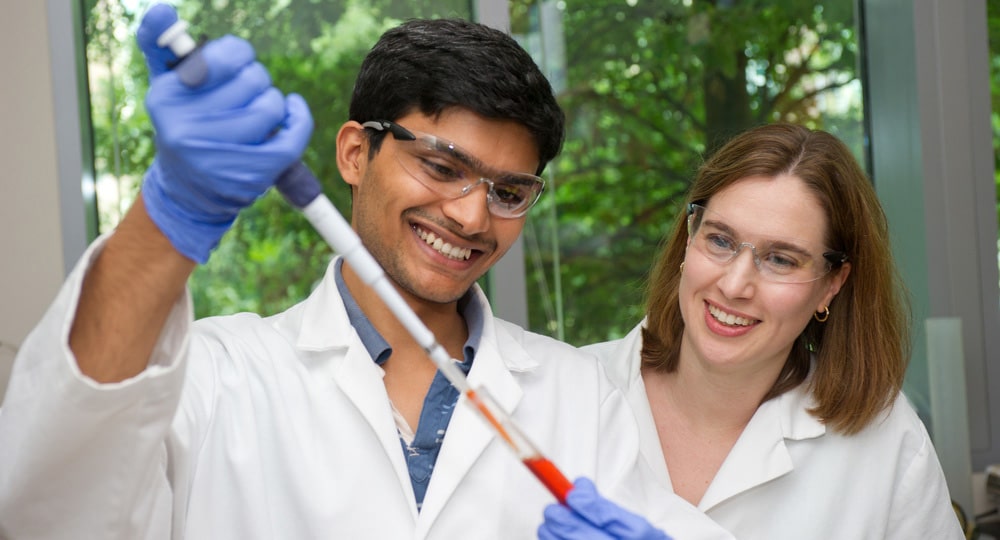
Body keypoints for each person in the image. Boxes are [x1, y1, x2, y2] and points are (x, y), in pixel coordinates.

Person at [0, 4, 735, 540]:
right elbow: (50, 503)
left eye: (509, 192)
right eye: (443, 167)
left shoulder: (577, 396)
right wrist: (169, 218)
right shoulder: (219, 376)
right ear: (355, 154)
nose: (474, 219)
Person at [582, 123, 965, 539]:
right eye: (721, 241)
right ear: (688, 239)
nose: (734, 285)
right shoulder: (570, 392)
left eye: (781, 259)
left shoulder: (887, 443)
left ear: (832, 284)